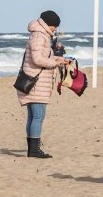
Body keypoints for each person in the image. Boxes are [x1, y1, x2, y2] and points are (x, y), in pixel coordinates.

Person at [15, 10, 70, 158]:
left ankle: (32, 148)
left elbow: (42, 57)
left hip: (37, 80)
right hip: (36, 82)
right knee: (38, 116)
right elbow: (38, 59)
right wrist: (54, 63)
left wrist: (58, 60)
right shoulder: (39, 35)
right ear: (48, 24)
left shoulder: (40, 34)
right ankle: (34, 150)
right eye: (54, 26)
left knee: (33, 116)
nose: (55, 29)